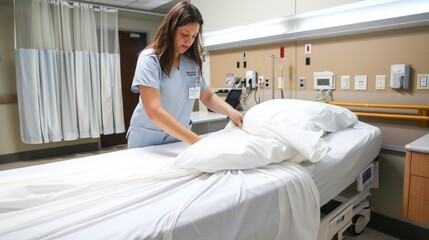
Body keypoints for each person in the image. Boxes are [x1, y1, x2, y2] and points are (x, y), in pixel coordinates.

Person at [127, 1, 244, 148]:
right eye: (184, 34)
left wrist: (231, 112)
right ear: (171, 29)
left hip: (178, 138)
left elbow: (206, 96)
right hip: (147, 139)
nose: (189, 41)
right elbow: (153, 110)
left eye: (194, 36)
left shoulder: (191, 62)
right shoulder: (150, 60)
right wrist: (197, 141)